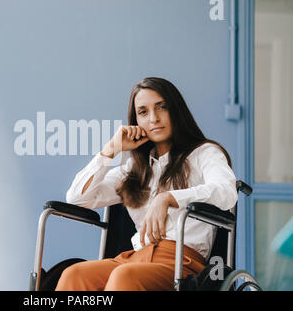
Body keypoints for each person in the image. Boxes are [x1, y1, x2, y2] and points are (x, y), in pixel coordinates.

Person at [55, 77, 238, 291]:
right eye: (143, 112)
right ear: (136, 121)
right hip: (134, 258)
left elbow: (226, 192)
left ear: (176, 111)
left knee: (124, 276)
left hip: (181, 263)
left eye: (162, 107)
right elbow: (78, 198)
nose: (153, 118)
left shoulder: (204, 153)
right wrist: (111, 150)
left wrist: (169, 198)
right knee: (75, 274)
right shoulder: (135, 170)